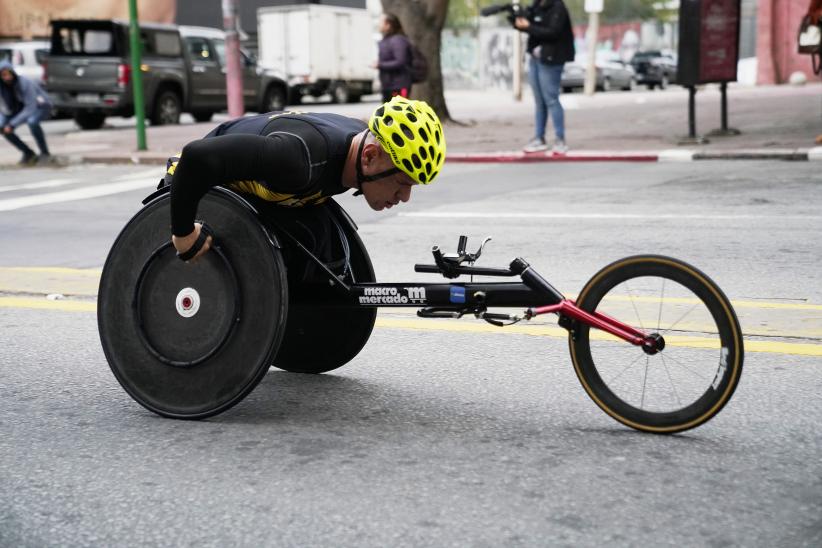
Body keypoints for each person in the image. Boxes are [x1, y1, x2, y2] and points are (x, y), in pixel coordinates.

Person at [168, 96, 446, 270]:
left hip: (264, 193)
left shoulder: (358, 145)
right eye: (402, 182)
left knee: (321, 246)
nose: (405, 197)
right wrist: (183, 234)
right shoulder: (297, 160)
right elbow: (195, 158)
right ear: (370, 157)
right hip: (192, 185)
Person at [514, 0, 575, 154]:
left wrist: (529, 26)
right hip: (536, 58)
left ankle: (560, 139)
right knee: (539, 100)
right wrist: (518, 22)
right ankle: (539, 138)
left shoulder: (557, 7)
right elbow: (528, 27)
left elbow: (553, 32)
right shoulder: (536, 6)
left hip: (552, 58)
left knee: (551, 99)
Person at [0, 60, 53, 165]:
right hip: (19, 108)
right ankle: (28, 153)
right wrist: (5, 124)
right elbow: (3, 108)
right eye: (3, 75)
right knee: (2, 127)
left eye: (8, 74)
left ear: (13, 73)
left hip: (39, 106)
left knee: (32, 122)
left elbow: (30, 107)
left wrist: (12, 124)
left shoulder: (25, 83)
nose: (7, 77)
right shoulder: (2, 87)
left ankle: (45, 153)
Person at [374, 13, 413, 102]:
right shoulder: (386, 40)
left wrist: (380, 65)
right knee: (388, 114)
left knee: (400, 113)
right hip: (388, 86)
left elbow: (400, 61)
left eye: (381, 22)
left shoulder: (398, 40)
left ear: (388, 25)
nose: (378, 24)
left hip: (399, 86)